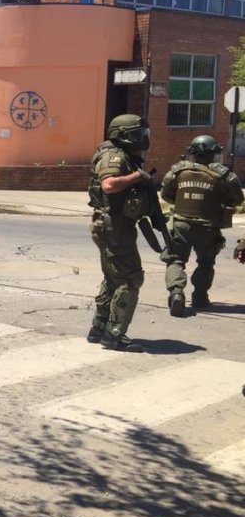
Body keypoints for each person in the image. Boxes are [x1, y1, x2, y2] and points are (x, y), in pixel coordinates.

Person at [86, 114, 154, 352]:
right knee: (130, 278)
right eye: (139, 134)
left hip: (114, 225)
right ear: (125, 136)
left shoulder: (124, 155)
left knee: (113, 278)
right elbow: (109, 184)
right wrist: (137, 176)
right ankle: (115, 335)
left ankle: (99, 328)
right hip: (113, 226)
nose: (143, 138)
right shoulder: (113, 156)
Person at [159, 135, 244, 314]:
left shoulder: (178, 171)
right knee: (206, 263)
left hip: (181, 224)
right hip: (208, 227)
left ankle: (176, 293)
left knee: (175, 260)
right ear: (214, 154)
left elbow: (166, 195)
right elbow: (237, 198)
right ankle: (199, 296)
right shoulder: (223, 176)